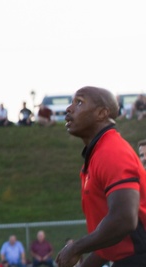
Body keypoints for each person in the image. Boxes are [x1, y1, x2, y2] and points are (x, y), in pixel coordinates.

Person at [57, 86, 146, 267]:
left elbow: (124, 219)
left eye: (79, 102)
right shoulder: (95, 157)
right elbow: (112, 241)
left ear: (102, 113)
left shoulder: (112, 151)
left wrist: (76, 248)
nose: (69, 109)